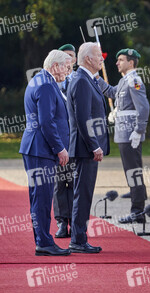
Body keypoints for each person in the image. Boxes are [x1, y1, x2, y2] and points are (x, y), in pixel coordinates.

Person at [20, 49, 72, 256]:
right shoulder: (47, 85)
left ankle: (43, 239)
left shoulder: (40, 80)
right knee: (42, 198)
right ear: (56, 66)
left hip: (36, 148)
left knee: (39, 197)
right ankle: (43, 242)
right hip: (41, 149)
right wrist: (60, 148)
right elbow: (46, 122)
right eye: (67, 67)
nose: (68, 72)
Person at [98, 48, 150, 223]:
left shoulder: (134, 80)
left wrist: (139, 130)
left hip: (130, 134)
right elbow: (112, 93)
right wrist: (97, 78)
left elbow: (143, 108)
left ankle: (137, 211)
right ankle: (138, 206)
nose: (117, 62)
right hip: (123, 133)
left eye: (121, 60)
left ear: (131, 62)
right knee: (131, 171)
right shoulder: (124, 81)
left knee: (133, 172)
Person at [67, 42, 110, 253]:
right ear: (88, 59)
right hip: (85, 148)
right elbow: (83, 118)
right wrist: (94, 146)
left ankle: (79, 237)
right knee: (82, 194)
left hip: (86, 148)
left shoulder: (87, 79)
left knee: (84, 193)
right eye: (98, 56)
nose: (102, 59)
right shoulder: (82, 81)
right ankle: (78, 239)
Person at [53, 43, 77, 238]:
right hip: (61, 142)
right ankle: (62, 222)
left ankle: (77, 223)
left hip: (77, 141)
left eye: (71, 57)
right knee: (60, 183)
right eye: (64, 58)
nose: (68, 62)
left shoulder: (81, 79)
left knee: (76, 183)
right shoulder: (53, 82)